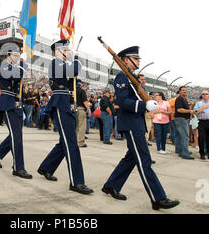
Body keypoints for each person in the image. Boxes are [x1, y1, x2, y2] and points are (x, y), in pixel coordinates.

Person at [102, 45, 179, 210]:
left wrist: (148, 105)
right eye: (135, 59)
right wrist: (144, 105)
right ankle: (158, 198)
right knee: (144, 160)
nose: (138, 61)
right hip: (130, 123)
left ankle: (111, 185)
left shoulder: (133, 78)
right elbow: (123, 102)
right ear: (125, 60)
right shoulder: (122, 78)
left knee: (131, 158)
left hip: (137, 122)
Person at [38, 39, 93, 195]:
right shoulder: (56, 63)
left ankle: (46, 167)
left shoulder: (63, 64)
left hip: (67, 104)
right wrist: (77, 59)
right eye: (66, 50)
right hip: (61, 104)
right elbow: (74, 71)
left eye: (69, 51)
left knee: (65, 142)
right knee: (71, 144)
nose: (68, 53)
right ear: (58, 51)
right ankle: (77, 182)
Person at [0, 47, 33, 179]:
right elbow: (14, 75)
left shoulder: (15, 67)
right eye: (15, 55)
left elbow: (20, 88)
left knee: (16, 134)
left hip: (16, 103)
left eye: (19, 55)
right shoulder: (3, 65)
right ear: (8, 55)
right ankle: (18, 168)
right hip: (7, 101)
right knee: (16, 135)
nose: (18, 57)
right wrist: (23, 63)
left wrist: (22, 104)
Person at [174, 86, 195, 160]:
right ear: (180, 91)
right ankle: (185, 153)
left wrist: (189, 115)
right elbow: (179, 110)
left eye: (185, 90)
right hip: (181, 119)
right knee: (184, 136)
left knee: (179, 136)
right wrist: (189, 111)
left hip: (181, 119)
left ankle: (180, 150)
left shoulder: (184, 99)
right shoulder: (179, 99)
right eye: (183, 90)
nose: (185, 91)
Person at [75, 79, 91, 147]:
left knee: (75, 126)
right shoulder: (81, 91)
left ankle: (74, 141)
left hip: (73, 109)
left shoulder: (72, 91)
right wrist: (89, 110)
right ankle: (80, 142)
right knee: (82, 126)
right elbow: (85, 101)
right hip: (81, 109)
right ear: (79, 83)